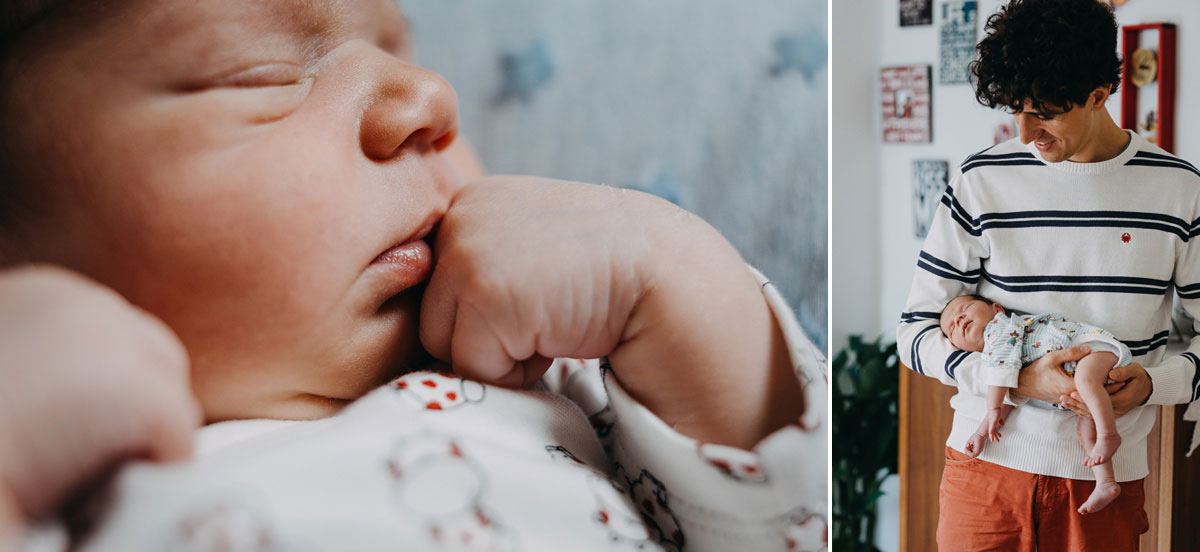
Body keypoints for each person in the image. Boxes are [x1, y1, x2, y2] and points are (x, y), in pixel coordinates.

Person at [0, 0, 824, 550]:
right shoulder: (42, 448)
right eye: (266, 76)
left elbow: (798, 522)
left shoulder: (562, 367)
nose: (427, 98)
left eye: (398, 50)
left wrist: (671, 275)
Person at [896, 0, 1200, 549]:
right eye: (1017, 109)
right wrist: (1019, 379)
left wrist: (1156, 385)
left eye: (1046, 112)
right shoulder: (982, 179)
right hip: (982, 466)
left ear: (1099, 96)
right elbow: (913, 330)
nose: (1026, 129)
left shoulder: (1179, 189)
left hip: (1102, 482)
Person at [939, 294, 1131, 514]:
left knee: (1086, 382)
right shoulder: (995, 356)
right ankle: (1105, 482)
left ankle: (1109, 435)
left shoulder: (1001, 329)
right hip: (1082, 369)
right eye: (951, 328)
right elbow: (1008, 394)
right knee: (1086, 431)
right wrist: (981, 433)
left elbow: (1000, 376)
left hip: (1091, 347)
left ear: (997, 309)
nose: (959, 319)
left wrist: (992, 409)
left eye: (966, 308)